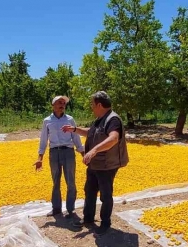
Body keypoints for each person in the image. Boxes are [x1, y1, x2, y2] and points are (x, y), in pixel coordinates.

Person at [61, 91, 129, 236]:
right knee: (90, 191)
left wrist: (93, 151)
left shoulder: (113, 119)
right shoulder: (100, 119)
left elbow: (114, 138)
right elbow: (91, 132)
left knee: (105, 195)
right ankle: (88, 219)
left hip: (106, 165)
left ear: (99, 105)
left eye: (92, 104)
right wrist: (74, 129)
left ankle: (105, 223)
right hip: (95, 164)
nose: (92, 107)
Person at [35, 95, 85, 218]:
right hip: (54, 153)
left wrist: (83, 153)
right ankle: (56, 208)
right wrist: (40, 158)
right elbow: (43, 139)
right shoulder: (47, 121)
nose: (62, 105)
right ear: (53, 105)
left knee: (71, 182)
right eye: (59, 102)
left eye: (63, 103)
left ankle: (70, 209)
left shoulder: (70, 119)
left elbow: (76, 137)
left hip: (68, 152)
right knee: (55, 181)